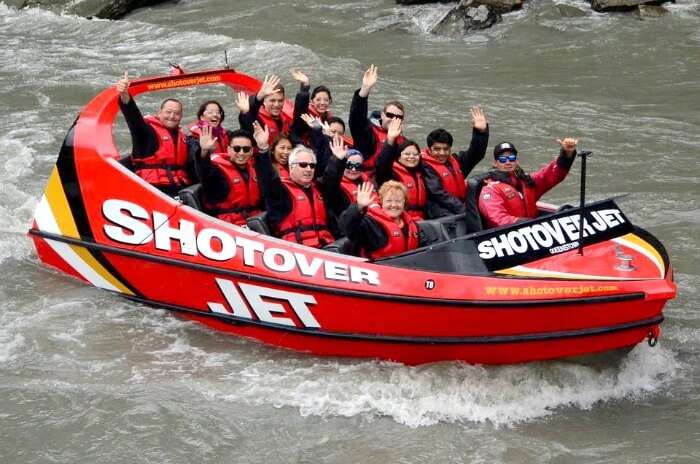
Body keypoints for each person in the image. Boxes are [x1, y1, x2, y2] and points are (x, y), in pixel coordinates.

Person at [253, 122, 335, 248]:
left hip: (326, 248)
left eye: (311, 166)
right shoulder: (281, 192)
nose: (308, 169)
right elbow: (267, 178)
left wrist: (338, 159)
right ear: (291, 168)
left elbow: (332, 175)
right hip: (298, 251)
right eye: (303, 165)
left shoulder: (318, 189)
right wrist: (263, 148)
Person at [116, 71, 196, 197]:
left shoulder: (185, 139)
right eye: (168, 112)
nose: (172, 116)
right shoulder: (146, 132)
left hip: (179, 189)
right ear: (159, 114)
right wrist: (125, 95)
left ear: (181, 117)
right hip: (153, 190)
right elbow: (133, 117)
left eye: (177, 113)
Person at [478, 138, 578, 228]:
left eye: (511, 158)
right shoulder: (489, 190)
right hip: (505, 238)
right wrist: (529, 224)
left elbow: (550, 175)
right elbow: (497, 218)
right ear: (495, 163)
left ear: (516, 161)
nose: (508, 162)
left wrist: (566, 154)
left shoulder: (525, 181)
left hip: (532, 233)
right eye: (503, 159)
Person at [421, 107, 489, 218]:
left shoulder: (455, 161)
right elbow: (438, 193)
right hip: (438, 212)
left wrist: (480, 133)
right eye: (437, 149)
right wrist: (464, 209)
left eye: (446, 149)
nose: (442, 153)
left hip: (458, 207)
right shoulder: (424, 166)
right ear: (429, 149)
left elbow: (476, 154)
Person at [195, 126, 262, 226]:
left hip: (255, 222)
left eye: (246, 149)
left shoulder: (255, 169)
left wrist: (264, 148)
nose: (241, 153)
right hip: (229, 226)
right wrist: (204, 151)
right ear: (229, 149)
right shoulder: (217, 171)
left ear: (252, 151)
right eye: (236, 149)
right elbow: (205, 173)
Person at [339, 181, 420, 260]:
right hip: (379, 269)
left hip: (406, 269)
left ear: (404, 203)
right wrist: (358, 206)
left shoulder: (412, 225)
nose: (394, 205)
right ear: (381, 202)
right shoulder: (370, 223)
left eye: (398, 201)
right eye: (389, 201)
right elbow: (347, 227)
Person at [349, 65, 405, 171]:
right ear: (382, 115)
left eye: (398, 117)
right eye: (390, 115)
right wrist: (365, 89)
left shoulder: (404, 142)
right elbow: (357, 119)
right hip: (370, 179)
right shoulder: (368, 135)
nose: (393, 119)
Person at [375, 119, 427, 220]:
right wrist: (390, 140)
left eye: (415, 154)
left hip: (422, 219)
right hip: (401, 219)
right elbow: (382, 166)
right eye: (407, 154)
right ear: (399, 157)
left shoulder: (422, 173)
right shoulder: (391, 174)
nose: (412, 157)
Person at [319, 135, 377, 218]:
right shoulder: (336, 185)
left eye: (357, 166)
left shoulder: (369, 183)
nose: (353, 169)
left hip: (370, 224)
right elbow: (330, 180)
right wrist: (337, 160)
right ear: (343, 165)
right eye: (349, 165)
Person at [237, 74, 292, 145]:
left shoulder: (284, 117)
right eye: (272, 100)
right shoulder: (257, 118)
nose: (276, 104)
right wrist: (259, 97)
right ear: (264, 102)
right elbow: (250, 116)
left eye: (280, 100)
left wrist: (304, 89)